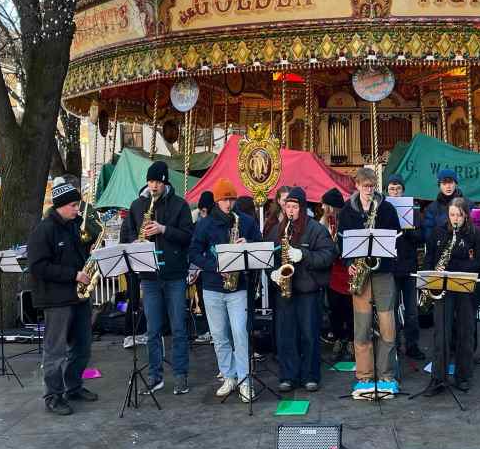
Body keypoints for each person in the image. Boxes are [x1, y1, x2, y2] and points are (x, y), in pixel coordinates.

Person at [122, 161, 194, 394]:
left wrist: (163, 230)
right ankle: (155, 376)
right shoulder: (136, 206)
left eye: (158, 182)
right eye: (151, 181)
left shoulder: (179, 205)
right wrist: (135, 241)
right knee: (152, 330)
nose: (153, 186)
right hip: (149, 276)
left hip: (174, 274)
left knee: (178, 328)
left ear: (165, 182)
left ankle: (181, 375)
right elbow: (127, 234)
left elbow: (188, 237)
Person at [27, 182, 97, 415]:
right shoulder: (44, 230)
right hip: (56, 299)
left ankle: (73, 386)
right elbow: (38, 267)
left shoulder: (74, 225)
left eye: (77, 204)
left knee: (83, 346)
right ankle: (53, 395)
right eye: (73, 205)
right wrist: (73, 274)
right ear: (59, 206)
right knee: (55, 351)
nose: (77, 209)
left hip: (78, 296)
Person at [189, 178, 261, 402]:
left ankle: (244, 379)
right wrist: (215, 266)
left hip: (238, 288)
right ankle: (229, 376)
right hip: (212, 287)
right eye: (224, 199)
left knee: (240, 333)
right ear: (217, 201)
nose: (229, 204)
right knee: (219, 336)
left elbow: (259, 247)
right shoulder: (205, 224)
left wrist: (246, 246)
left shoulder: (246, 222)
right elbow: (194, 253)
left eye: (231, 199)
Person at [338, 167, 402, 399]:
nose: (368, 190)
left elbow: (396, 237)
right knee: (362, 326)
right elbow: (341, 242)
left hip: (383, 271)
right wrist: (348, 264)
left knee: (387, 324)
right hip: (360, 274)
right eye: (365, 186)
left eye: (371, 186)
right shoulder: (347, 211)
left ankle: (386, 373)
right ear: (356, 186)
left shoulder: (386, 208)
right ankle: (364, 375)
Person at [266, 187, 336, 391]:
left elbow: (328, 255)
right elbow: (268, 257)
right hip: (285, 291)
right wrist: (272, 272)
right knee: (285, 336)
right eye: (288, 206)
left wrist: (304, 254)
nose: (290, 211)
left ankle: (310, 376)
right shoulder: (277, 230)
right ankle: (288, 376)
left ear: (302, 208)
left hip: (308, 291)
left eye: (294, 207)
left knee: (309, 335)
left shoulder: (315, 229)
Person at [422, 197, 480, 394]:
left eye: (459, 215)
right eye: (452, 215)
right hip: (441, 287)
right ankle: (438, 378)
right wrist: (428, 281)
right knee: (441, 334)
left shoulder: (476, 234)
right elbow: (429, 258)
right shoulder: (438, 232)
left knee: (465, 332)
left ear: (466, 215)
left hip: (465, 287)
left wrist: (457, 268)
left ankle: (463, 376)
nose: (455, 218)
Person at [386, 174, 425, 360]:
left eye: (398, 189)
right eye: (392, 189)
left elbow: (421, 237)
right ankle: (393, 344)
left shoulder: (414, 211)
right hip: (391, 267)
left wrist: (407, 230)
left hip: (409, 265)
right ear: (387, 191)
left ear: (403, 191)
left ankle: (412, 345)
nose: (395, 192)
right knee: (391, 310)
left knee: (411, 311)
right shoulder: (383, 210)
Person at [320, 187, 354, 354]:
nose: (322, 208)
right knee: (335, 309)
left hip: (347, 270)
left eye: (324, 205)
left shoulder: (345, 219)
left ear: (331, 206)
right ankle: (339, 338)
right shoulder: (325, 222)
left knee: (349, 309)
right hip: (333, 273)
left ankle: (351, 340)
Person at [423, 169, 471, 263]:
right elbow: (428, 236)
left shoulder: (468, 204)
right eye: (444, 183)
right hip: (440, 253)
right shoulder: (432, 208)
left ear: (456, 184)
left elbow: (473, 230)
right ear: (439, 186)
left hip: (463, 252)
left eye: (451, 182)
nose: (448, 186)